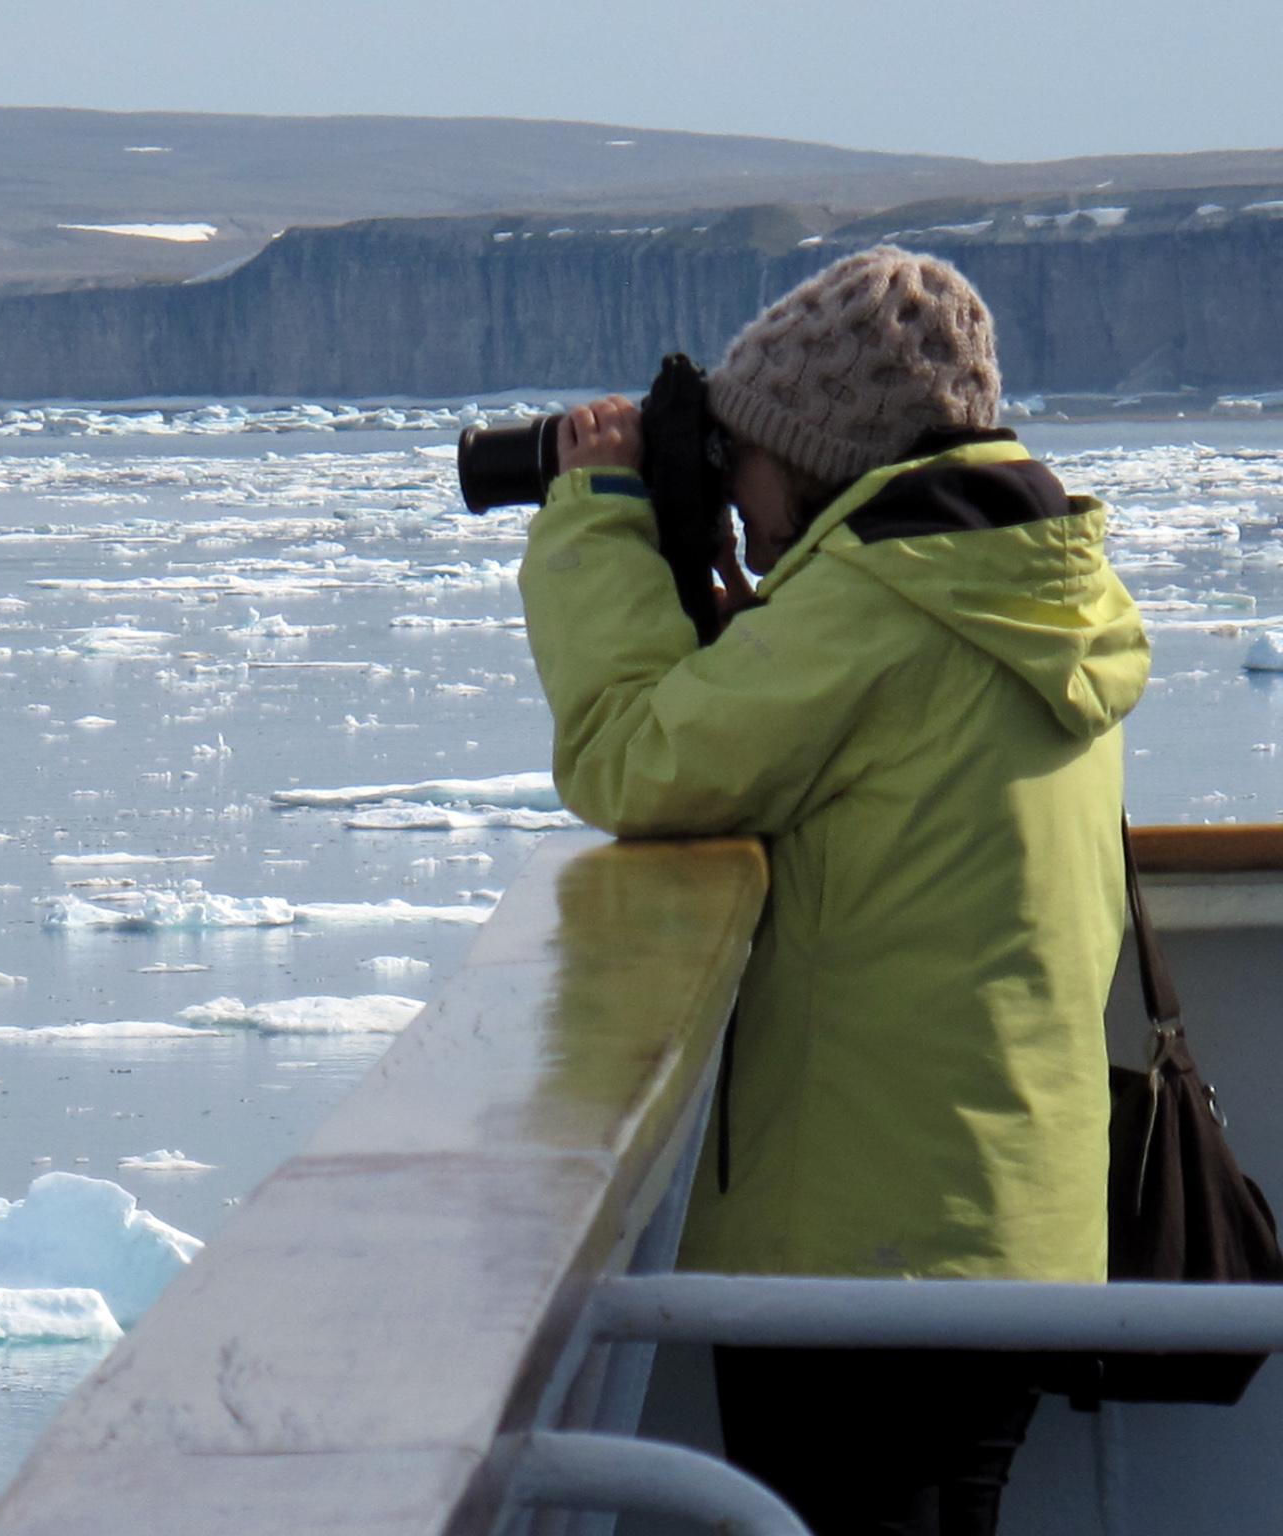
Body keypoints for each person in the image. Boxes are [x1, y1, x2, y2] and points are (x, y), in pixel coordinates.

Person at [517, 245, 1151, 1535]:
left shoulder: (880, 606)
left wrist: (598, 514)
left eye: (746, 462)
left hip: (860, 1261)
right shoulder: (1026, 584)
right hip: (1012, 1237)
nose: (739, 501)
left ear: (818, 453)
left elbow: (633, 758)